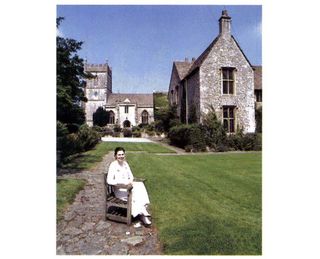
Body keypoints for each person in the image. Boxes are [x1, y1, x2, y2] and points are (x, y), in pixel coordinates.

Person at [106, 147, 151, 226]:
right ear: (115, 156)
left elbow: (131, 176)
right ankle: (142, 216)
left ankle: (141, 214)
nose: (121, 156)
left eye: (122, 154)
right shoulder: (113, 165)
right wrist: (123, 183)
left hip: (128, 187)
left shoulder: (125, 164)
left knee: (140, 186)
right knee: (135, 197)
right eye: (119, 155)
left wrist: (130, 181)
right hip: (120, 190)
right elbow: (109, 181)